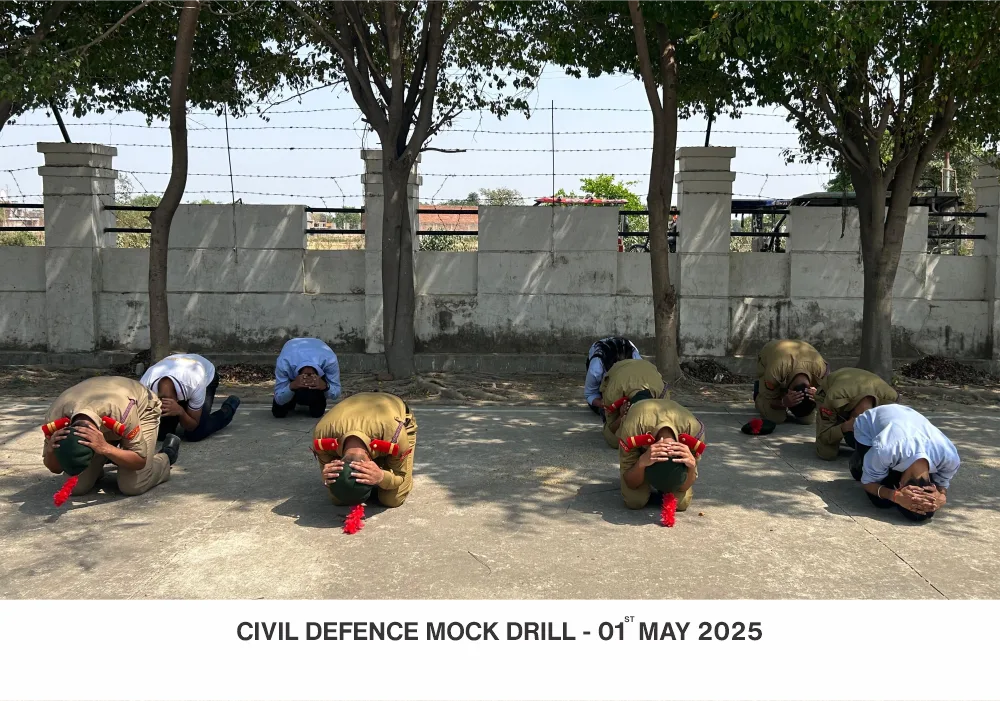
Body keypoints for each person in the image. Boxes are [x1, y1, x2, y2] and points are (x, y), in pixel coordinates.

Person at [41, 376, 180, 498]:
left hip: (140, 406)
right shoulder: (55, 419)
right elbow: (55, 468)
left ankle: (167, 455)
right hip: (94, 400)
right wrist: (51, 451)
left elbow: (139, 460)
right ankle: (100, 461)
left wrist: (105, 448)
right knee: (77, 487)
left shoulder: (124, 413)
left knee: (132, 485)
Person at [849, 404, 959, 522]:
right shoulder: (885, 451)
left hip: (907, 418)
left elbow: (942, 484)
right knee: (879, 500)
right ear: (900, 484)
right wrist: (894, 496)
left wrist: (941, 495)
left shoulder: (951, 459)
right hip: (869, 422)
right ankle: (858, 462)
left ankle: (875, 466)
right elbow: (867, 482)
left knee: (884, 493)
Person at [312, 392, 417, 508]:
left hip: (398, 418)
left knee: (392, 500)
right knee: (338, 498)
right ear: (338, 460)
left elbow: (400, 475)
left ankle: (383, 469)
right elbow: (327, 478)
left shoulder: (394, 437)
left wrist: (381, 476)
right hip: (355, 408)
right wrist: (325, 477)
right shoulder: (321, 437)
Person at [616, 398, 706, 511]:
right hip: (640, 415)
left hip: (677, 420)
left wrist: (692, 467)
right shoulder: (632, 429)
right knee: (634, 501)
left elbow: (685, 486)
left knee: (681, 503)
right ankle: (652, 478)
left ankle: (664, 483)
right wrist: (641, 463)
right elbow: (631, 483)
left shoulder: (695, 432)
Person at [140, 353, 240, 441]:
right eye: (160, 399)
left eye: (167, 401)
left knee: (195, 433)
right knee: (162, 434)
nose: (162, 403)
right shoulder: (144, 386)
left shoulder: (195, 384)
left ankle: (227, 410)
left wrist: (180, 411)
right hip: (178, 368)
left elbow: (192, 425)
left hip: (206, 375)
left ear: (178, 399)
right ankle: (177, 412)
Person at [814, 367, 898, 460]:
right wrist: (843, 428)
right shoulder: (834, 398)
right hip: (834, 386)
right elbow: (824, 436)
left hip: (860, 384)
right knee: (826, 453)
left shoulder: (890, 400)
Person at [753, 339, 829, 425]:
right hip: (771, 351)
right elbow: (770, 400)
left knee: (807, 420)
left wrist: (819, 397)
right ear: (788, 391)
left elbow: (830, 401)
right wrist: (783, 403)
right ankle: (758, 393)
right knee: (776, 418)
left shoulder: (821, 371)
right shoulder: (775, 371)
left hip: (798, 353)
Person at [598, 358, 667, 448]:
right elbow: (612, 431)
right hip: (620, 369)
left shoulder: (663, 396)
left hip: (647, 368)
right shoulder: (612, 395)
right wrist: (620, 417)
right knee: (614, 441)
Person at [272, 337, 341, 418]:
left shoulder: (330, 360)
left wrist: (325, 386)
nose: (307, 379)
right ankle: (293, 398)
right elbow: (279, 398)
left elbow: (336, 393)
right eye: (304, 377)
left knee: (317, 413)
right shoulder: (284, 363)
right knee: (278, 412)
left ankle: (310, 397)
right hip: (292, 377)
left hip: (318, 383)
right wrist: (292, 386)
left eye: (311, 377)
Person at [584, 336, 641, 415]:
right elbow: (590, 394)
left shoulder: (636, 361)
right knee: (606, 413)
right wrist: (601, 403)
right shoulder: (596, 369)